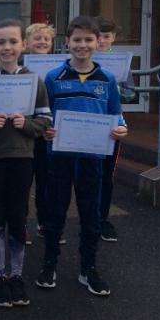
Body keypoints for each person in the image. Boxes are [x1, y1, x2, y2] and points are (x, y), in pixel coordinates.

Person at [36, 16, 128, 297]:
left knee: (90, 214)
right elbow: (44, 115)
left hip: (92, 157)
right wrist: (46, 130)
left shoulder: (107, 79)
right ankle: (49, 264)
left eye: (89, 39)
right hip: (59, 156)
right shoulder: (53, 77)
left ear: (98, 42)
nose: (83, 45)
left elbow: (116, 114)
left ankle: (88, 268)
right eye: (77, 39)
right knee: (55, 211)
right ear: (67, 42)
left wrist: (121, 128)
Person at [0, 19, 52, 308]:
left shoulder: (33, 80)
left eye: (13, 41)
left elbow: (46, 119)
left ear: (23, 45)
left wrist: (27, 125)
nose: (7, 47)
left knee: (17, 217)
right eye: (1, 42)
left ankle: (16, 275)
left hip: (21, 157)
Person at [95, 16, 135, 243]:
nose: (102, 41)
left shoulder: (121, 63)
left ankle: (102, 219)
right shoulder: (84, 60)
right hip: (85, 122)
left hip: (111, 124)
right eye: (98, 36)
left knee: (106, 175)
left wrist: (114, 87)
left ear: (114, 38)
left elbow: (130, 94)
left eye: (106, 36)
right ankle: (86, 218)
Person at [24, 23, 58, 246]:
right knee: (23, 182)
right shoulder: (20, 68)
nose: (42, 42)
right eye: (37, 38)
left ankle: (44, 223)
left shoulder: (60, 70)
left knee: (47, 182)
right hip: (25, 132)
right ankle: (21, 224)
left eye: (46, 39)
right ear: (27, 43)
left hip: (48, 133)